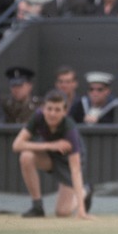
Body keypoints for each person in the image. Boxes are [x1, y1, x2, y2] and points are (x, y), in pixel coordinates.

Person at [12, 89, 93, 219]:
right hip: (50, 156)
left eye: (57, 110)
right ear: (43, 108)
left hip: (68, 164)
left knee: (62, 212)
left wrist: (81, 211)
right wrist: (51, 145)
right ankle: (37, 207)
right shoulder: (38, 117)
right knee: (26, 156)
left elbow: (75, 170)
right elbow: (17, 145)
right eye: (49, 109)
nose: (52, 114)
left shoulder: (70, 129)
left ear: (65, 112)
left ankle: (85, 191)